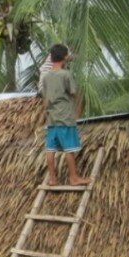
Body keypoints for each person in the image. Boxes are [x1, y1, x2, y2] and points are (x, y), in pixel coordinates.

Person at [39, 44, 90, 187]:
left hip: (51, 118)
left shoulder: (46, 76)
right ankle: (74, 177)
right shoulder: (66, 75)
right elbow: (73, 92)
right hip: (65, 117)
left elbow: (45, 98)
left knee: (51, 149)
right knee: (69, 148)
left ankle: (52, 179)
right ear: (65, 57)